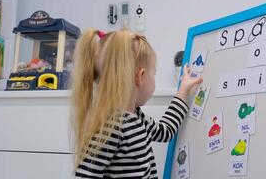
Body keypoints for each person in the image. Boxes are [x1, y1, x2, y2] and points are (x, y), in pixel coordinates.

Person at [71, 28, 203, 178]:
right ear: (140, 77)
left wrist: (183, 90)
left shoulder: (136, 117)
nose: (154, 80)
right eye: (154, 73)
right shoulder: (110, 127)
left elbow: (165, 131)